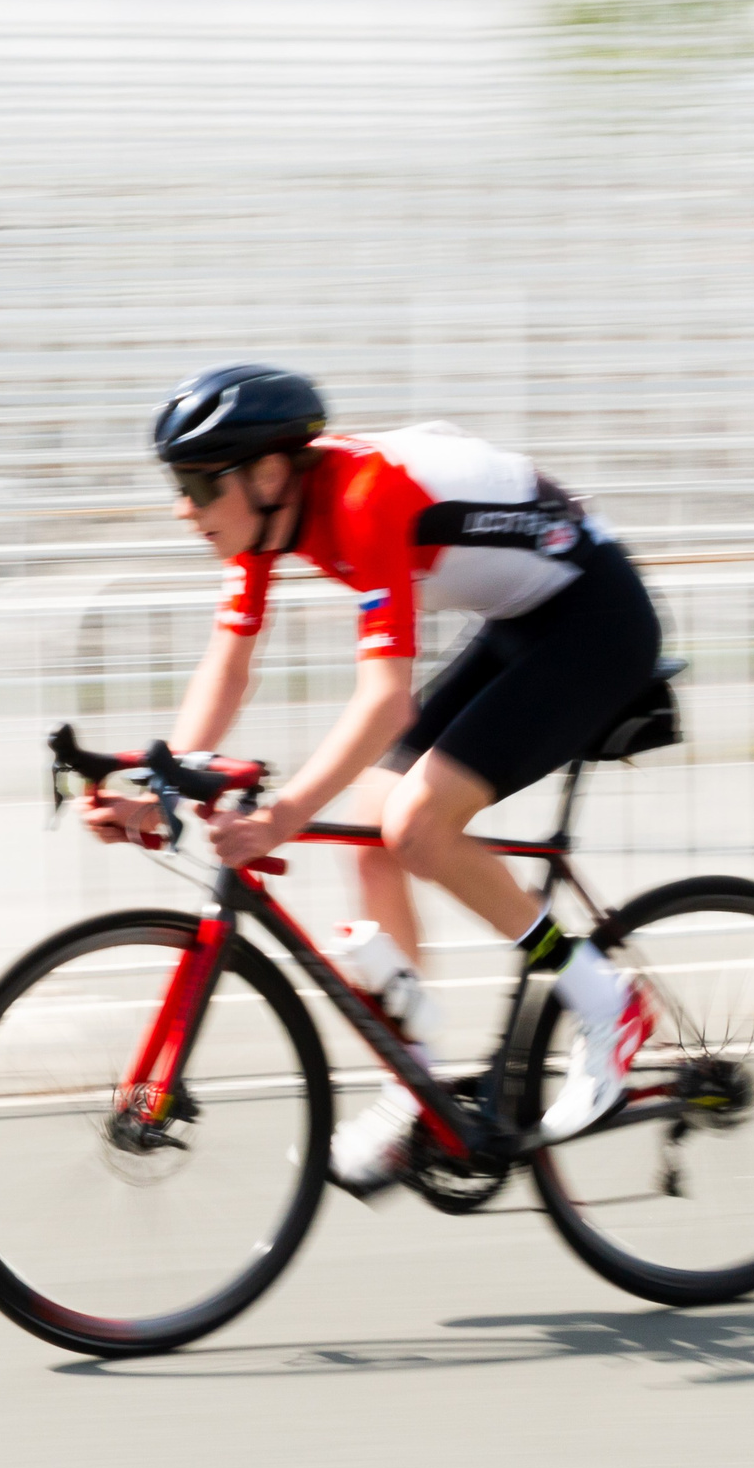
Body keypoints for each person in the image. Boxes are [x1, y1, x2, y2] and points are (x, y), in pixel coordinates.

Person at [79, 364, 662, 1195]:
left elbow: (385, 700)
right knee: (371, 842)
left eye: (199, 484)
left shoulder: (363, 499)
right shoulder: (265, 521)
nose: (186, 506)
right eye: (180, 482)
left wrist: (280, 816)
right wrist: (161, 787)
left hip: (595, 618)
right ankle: (414, 1091)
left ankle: (603, 997)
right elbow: (229, 667)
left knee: (419, 825)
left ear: (268, 474)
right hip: (524, 618)